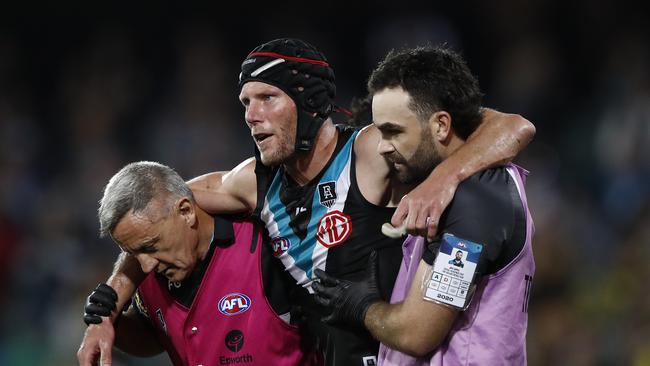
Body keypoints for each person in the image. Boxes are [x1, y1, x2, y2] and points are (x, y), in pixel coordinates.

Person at [78, 38, 536, 366]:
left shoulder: (370, 150)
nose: (251, 116)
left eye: (267, 98)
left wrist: (444, 177)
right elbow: (151, 219)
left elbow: (512, 126)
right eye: (244, 102)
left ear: (306, 101)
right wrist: (108, 308)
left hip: (407, 345)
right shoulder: (250, 183)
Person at [312, 46, 535, 365]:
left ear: (441, 126)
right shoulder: (444, 190)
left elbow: (417, 333)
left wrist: (361, 306)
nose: (382, 147)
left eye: (393, 131)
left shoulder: (476, 200)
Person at [78, 161, 315, 366]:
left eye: (150, 246)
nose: (146, 265)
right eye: (132, 252)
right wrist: (111, 320)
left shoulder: (264, 241)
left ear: (186, 211)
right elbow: (153, 340)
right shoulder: (147, 270)